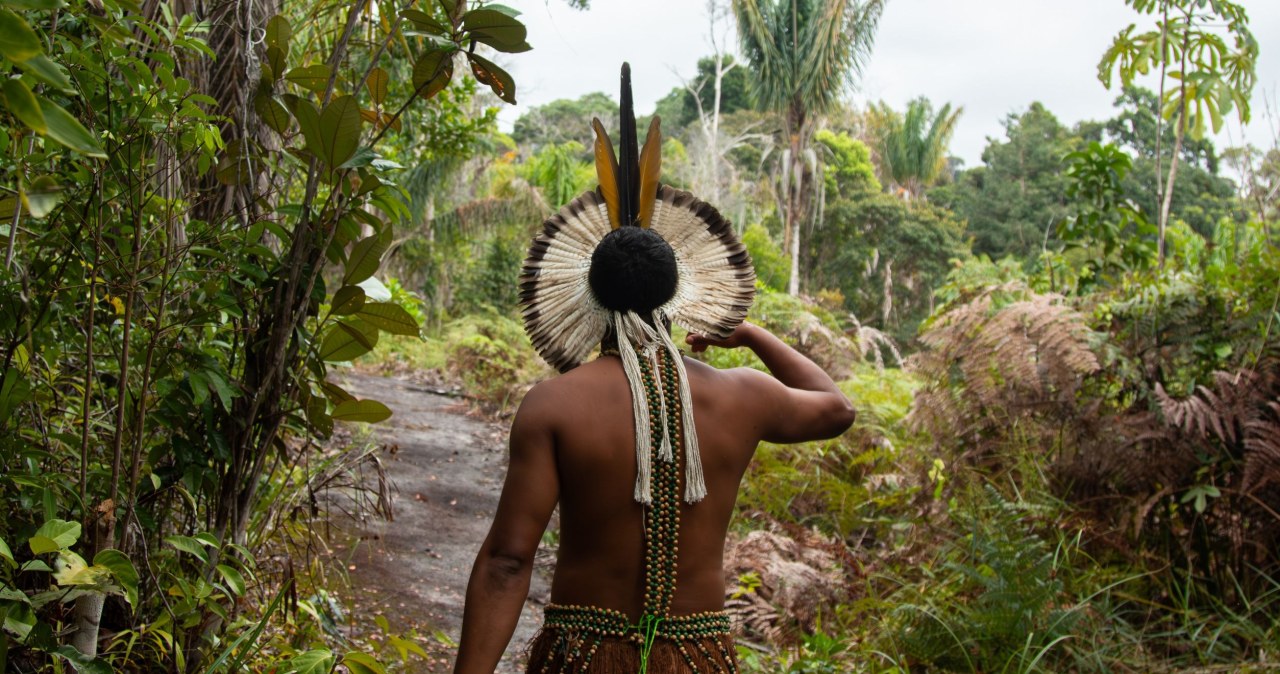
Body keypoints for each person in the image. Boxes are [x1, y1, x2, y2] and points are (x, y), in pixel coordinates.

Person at [453, 65, 855, 674]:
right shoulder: (743, 396)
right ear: (679, 298)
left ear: (586, 297)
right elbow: (836, 408)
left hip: (583, 657)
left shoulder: (554, 405)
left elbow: (509, 561)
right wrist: (749, 336)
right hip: (698, 658)